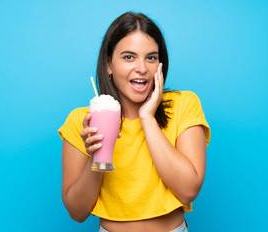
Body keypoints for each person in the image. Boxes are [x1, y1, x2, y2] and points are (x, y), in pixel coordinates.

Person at [58, 12, 210, 232]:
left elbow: (188, 190)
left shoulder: (183, 104)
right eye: (129, 57)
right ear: (109, 64)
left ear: (160, 64)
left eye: (151, 57)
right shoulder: (83, 121)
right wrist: (97, 157)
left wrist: (147, 117)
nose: (142, 68)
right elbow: (77, 212)